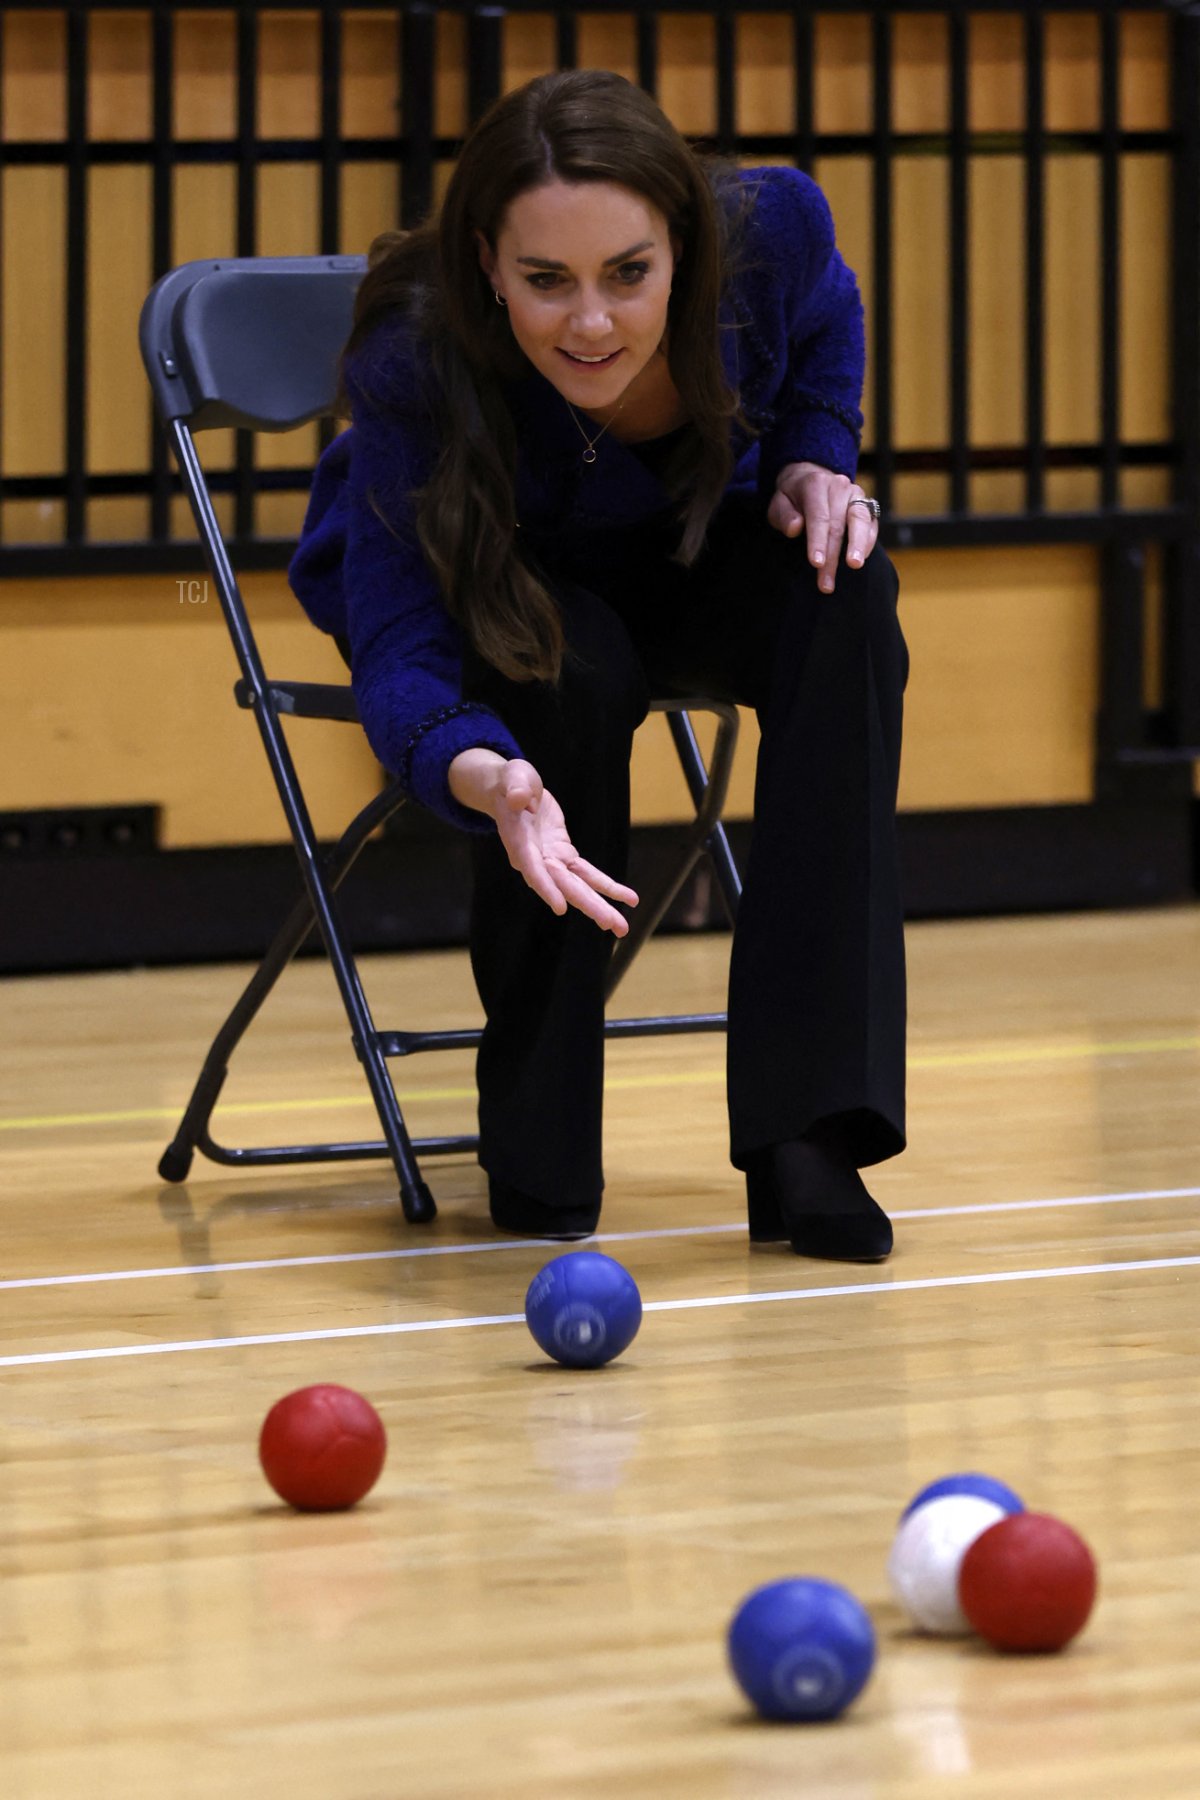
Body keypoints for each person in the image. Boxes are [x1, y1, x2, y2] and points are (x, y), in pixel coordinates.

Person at [288, 69, 908, 1261]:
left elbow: (830, 317)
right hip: (516, 570)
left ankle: (811, 1135)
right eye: (545, 281)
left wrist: (814, 455)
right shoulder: (418, 355)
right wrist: (479, 774)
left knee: (846, 591)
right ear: (484, 262)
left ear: (683, 245)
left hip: (689, 532)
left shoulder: (769, 236)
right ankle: (540, 1140)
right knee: (560, 678)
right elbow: (405, 640)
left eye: (629, 273)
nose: (593, 324)